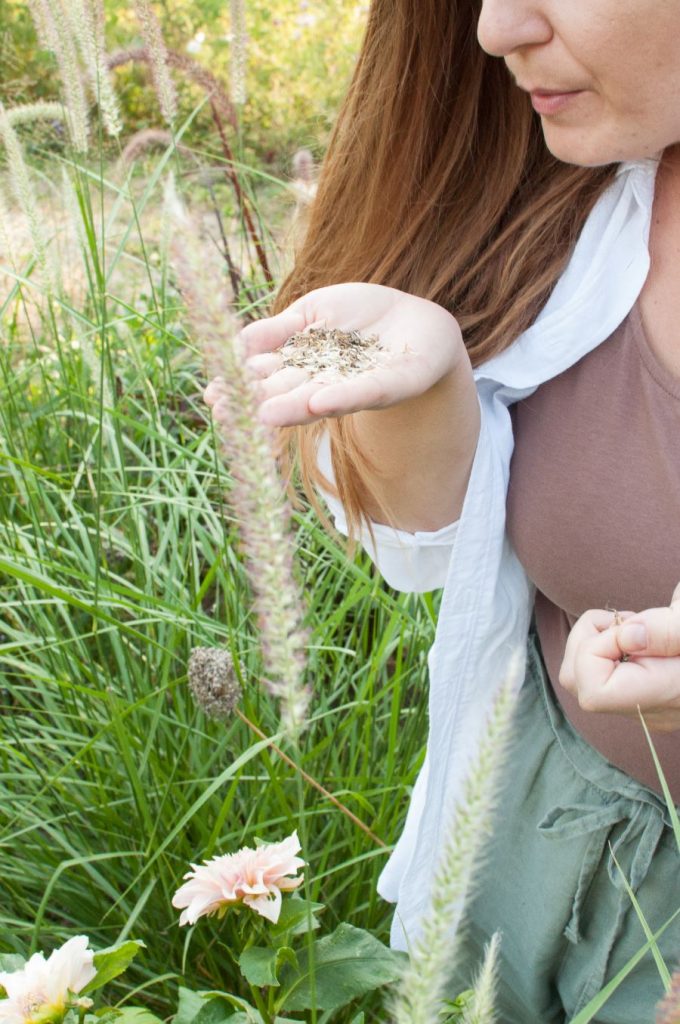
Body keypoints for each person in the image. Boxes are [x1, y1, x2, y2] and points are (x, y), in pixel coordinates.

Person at [205, 1, 680, 1019]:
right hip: (516, 838)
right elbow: (438, 555)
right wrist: (424, 390)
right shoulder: (579, 183)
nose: (491, 29)